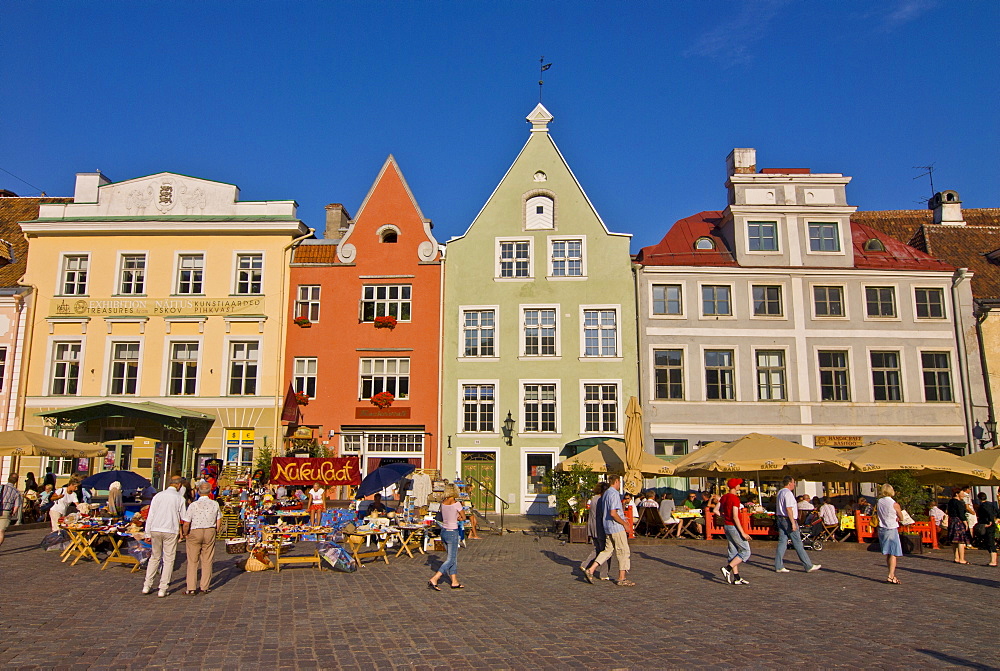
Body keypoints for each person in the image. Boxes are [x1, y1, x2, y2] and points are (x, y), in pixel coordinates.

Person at [583, 474, 634, 587]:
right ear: (616, 481)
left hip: (607, 527)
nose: (620, 484)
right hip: (616, 527)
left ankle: (591, 569)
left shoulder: (605, 494)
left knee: (607, 550)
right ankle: (622, 578)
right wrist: (625, 523)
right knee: (623, 551)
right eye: (619, 482)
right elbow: (613, 513)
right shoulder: (614, 494)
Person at [142, 476, 186, 598]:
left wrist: (147, 533)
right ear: (178, 485)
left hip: (156, 528)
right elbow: (184, 516)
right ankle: (163, 588)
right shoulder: (179, 498)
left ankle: (147, 585)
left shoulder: (158, 496)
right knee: (168, 559)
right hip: (170, 529)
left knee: (154, 557)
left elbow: (151, 515)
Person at [182, 482, 223, 595]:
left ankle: (191, 587)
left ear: (199, 492)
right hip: (209, 529)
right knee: (207, 559)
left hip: (195, 530)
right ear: (210, 492)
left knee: (193, 560)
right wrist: (216, 530)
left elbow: (186, 523)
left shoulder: (194, 505)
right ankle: (204, 586)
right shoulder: (215, 504)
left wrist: (185, 533)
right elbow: (218, 519)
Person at [774, 476, 821, 573]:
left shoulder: (780, 492)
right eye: (794, 482)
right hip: (788, 519)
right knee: (798, 542)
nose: (795, 484)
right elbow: (789, 508)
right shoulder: (788, 493)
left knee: (782, 542)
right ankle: (808, 565)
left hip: (780, 518)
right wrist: (793, 523)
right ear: (790, 483)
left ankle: (778, 565)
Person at [428, 483, 465, 590]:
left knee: (452, 557)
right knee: (451, 559)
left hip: (444, 531)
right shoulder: (456, 503)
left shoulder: (443, 503)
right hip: (452, 531)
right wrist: (458, 518)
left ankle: (454, 581)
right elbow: (463, 517)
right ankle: (435, 578)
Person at [719, 478, 750, 585]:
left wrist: (724, 516)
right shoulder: (735, 499)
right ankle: (727, 568)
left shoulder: (724, 497)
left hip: (727, 525)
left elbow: (716, 510)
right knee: (745, 551)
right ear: (735, 486)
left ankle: (736, 577)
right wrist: (743, 533)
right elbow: (735, 517)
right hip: (734, 526)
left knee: (733, 551)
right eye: (738, 485)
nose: (739, 487)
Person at [580, 482, 610, 580]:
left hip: (592, 526)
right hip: (599, 527)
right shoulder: (602, 499)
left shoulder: (593, 498)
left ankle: (585, 564)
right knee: (605, 550)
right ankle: (604, 574)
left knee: (597, 548)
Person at [876, 484, 903, 584]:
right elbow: (902, 517)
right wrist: (898, 517)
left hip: (882, 528)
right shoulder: (894, 503)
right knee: (893, 553)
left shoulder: (879, 502)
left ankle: (891, 574)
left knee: (888, 553)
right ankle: (891, 575)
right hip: (891, 528)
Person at [947, 486, 975, 564]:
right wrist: (965, 522)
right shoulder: (958, 503)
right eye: (962, 493)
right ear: (957, 494)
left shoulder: (950, 501)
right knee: (961, 541)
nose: (963, 495)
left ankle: (956, 557)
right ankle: (962, 559)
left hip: (952, 520)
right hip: (958, 521)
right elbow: (961, 514)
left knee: (954, 541)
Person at [974, 492, 998, 566]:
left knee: (990, 542)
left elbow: (989, 514)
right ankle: (993, 560)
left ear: (979, 498)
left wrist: (990, 521)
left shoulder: (983, 506)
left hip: (987, 525)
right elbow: (997, 512)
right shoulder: (991, 504)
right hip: (991, 524)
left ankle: (993, 561)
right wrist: (997, 519)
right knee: (990, 541)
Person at [0, 475, 23, 548]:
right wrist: (12, 513)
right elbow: (16, 506)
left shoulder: (1, 487)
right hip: (6, 511)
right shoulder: (16, 492)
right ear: (16, 481)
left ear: (8, 479)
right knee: (1, 531)